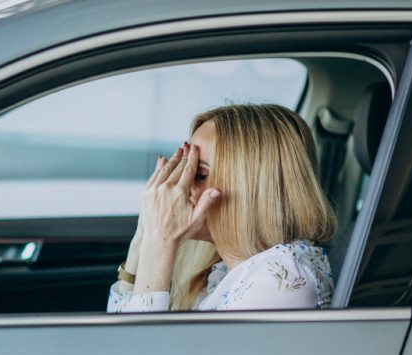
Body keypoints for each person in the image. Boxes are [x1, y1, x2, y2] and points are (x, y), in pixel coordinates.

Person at [108, 104, 336, 313]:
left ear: (251, 189)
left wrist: (160, 242)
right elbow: (118, 341)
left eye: (199, 174)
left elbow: (139, 352)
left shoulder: (279, 281)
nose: (179, 188)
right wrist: (145, 233)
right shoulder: (227, 270)